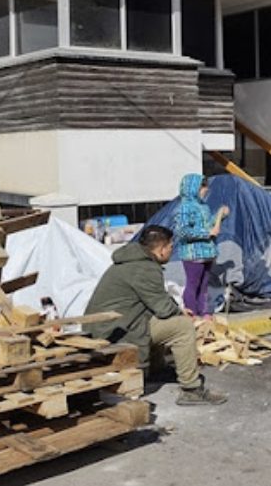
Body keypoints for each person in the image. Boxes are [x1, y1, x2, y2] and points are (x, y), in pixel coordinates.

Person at [85, 225, 227, 406]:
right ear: (160, 250)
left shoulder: (133, 263)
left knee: (159, 320)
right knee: (182, 327)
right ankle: (191, 389)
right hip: (111, 333)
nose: (171, 251)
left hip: (110, 327)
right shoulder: (145, 268)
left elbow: (155, 299)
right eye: (170, 247)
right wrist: (181, 314)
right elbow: (163, 308)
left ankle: (156, 369)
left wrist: (177, 309)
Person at [172, 174, 228, 318]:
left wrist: (220, 216)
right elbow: (182, 231)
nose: (205, 191)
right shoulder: (184, 208)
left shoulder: (203, 206)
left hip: (207, 253)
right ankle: (192, 313)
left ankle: (204, 312)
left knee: (204, 285)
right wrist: (206, 233)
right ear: (193, 188)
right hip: (193, 254)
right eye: (202, 187)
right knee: (193, 284)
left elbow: (210, 223)